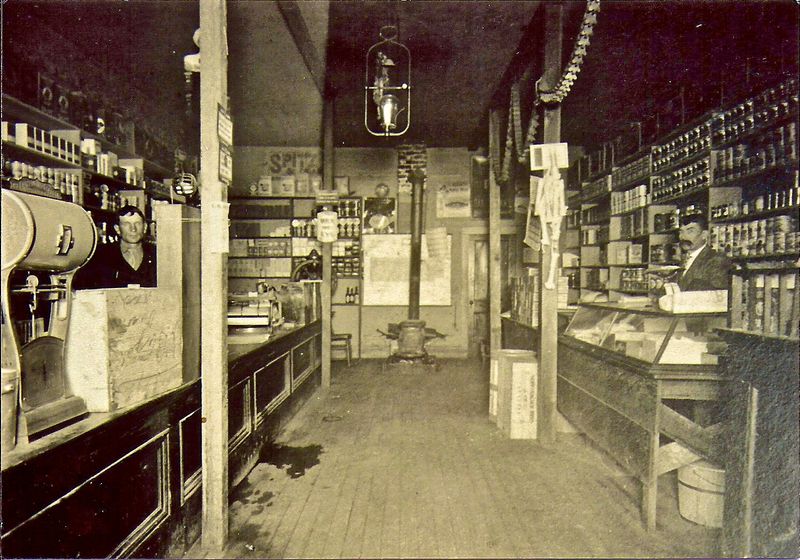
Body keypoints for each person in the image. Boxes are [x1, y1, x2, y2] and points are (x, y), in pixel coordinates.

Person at [74, 205, 157, 289]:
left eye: (137, 223)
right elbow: (83, 287)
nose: (133, 229)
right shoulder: (100, 255)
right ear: (117, 229)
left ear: (145, 227)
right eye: (126, 224)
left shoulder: (156, 254)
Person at [675, 212, 731, 291]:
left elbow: (716, 294)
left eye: (690, 231)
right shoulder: (683, 260)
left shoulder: (717, 259)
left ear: (704, 235)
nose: (683, 237)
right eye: (681, 232)